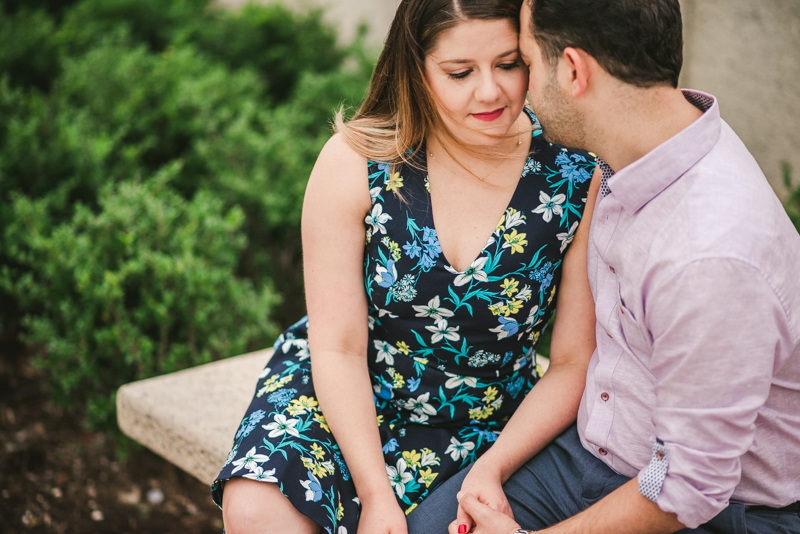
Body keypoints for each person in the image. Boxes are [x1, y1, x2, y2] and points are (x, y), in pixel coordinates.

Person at [406, 0, 800, 533]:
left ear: (572, 70)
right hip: (591, 454)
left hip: (721, 513)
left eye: (523, 60)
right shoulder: (633, 151)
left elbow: (687, 488)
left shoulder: (709, 255)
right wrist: (490, 467)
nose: (513, 88)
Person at [212, 0, 604, 532]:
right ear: (415, 68)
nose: (489, 90)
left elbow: (573, 363)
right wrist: (376, 496)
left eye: (508, 64)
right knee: (257, 511)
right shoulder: (356, 162)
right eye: (460, 72)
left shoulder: (576, 175)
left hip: (488, 423)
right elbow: (338, 346)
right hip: (346, 389)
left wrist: (492, 468)